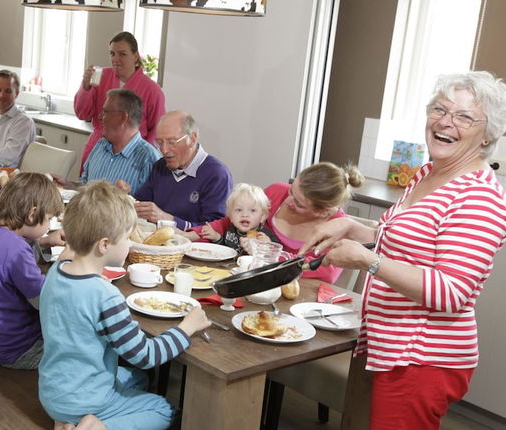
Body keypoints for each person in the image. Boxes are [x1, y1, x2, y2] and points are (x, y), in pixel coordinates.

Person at [299, 71, 506, 430]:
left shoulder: (478, 198)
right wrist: (355, 228)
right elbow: (407, 242)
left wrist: (368, 260)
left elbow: (451, 291)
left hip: (423, 357)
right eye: (439, 109)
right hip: (391, 345)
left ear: (489, 134)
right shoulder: (429, 172)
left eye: (464, 116)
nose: (445, 122)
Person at [38, 181, 211, 429]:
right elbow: (145, 355)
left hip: (53, 390)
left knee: (138, 379)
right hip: (85, 398)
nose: (129, 244)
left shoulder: (57, 271)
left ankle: (65, 421)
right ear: (105, 245)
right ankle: (95, 426)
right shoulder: (105, 295)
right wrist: (186, 328)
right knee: (164, 409)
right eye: (127, 237)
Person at [0, 173, 64, 369]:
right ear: (32, 214)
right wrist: (67, 262)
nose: (48, 226)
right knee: (84, 343)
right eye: (48, 219)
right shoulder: (15, 248)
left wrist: (44, 241)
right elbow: (43, 300)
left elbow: (7, 263)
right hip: (20, 348)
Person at [256, 162, 363, 284]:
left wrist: (273, 255)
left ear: (323, 212)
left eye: (299, 204)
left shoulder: (338, 228)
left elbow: (328, 272)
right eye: (291, 190)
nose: (288, 201)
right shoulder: (275, 192)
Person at [74, 31, 165, 171]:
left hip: (133, 157)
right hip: (98, 150)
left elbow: (157, 130)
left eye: (122, 54)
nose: (116, 59)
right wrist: (85, 87)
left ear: (135, 56)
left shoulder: (152, 90)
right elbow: (82, 114)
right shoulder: (101, 77)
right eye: (112, 54)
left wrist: (142, 155)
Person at [133, 110, 233, 230]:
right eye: (159, 143)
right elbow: (139, 204)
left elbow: (215, 229)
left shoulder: (216, 174)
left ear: (192, 138)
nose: (164, 150)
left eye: (172, 142)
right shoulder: (160, 166)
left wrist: (169, 220)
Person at [54, 88, 160, 193]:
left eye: (105, 112)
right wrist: (68, 185)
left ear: (123, 117)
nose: (100, 117)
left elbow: (149, 207)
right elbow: (86, 186)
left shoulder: (150, 160)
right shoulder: (100, 145)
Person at [183, 183, 277, 254]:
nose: (245, 215)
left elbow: (277, 254)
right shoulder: (230, 231)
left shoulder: (264, 235)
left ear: (263, 216)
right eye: (238, 210)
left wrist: (267, 246)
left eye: (252, 211)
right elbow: (225, 249)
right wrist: (217, 238)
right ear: (231, 217)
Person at [0, 69, 36, 168]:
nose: (2, 95)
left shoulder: (24, 122)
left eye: (8, 91)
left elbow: (9, 157)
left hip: (8, 177)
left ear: (16, 93)